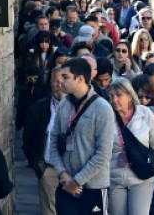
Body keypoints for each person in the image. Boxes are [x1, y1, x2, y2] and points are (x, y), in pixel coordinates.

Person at [45, 57, 115, 214]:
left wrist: (77, 181)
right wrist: (62, 173)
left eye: (65, 77)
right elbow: (53, 142)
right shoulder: (64, 105)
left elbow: (103, 154)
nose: (60, 81)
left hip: (93, 188)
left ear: (80, 79)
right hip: (65, 185)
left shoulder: (102, 109)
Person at [106, 78, 154, 214]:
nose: (114, 100)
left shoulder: (145, 114)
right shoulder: (107, 116)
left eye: (119, 96)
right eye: (112, 96)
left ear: (129, 96)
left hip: (142, 178)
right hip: (114, 178)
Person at [24, 66, 65, 215]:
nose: (60, 85)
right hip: (49, 168)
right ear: (50, 83)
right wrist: (37, 165)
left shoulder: (79, 108)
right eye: (56, 81)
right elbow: (28, 140)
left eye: (64, 81)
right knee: (49, 210)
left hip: (74, 170)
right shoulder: (38, 108)